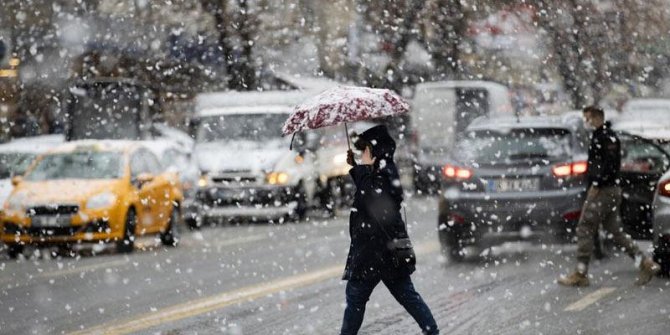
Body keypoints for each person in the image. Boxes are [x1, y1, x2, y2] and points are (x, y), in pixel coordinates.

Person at [340, 125, 438, 335]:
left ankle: (433, 331)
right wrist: (358, 166)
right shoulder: (383, 168)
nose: (362, 152)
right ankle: (432, 331)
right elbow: (371, 192)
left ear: (374, 149)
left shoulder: (385, 171)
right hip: (384, 249)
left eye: (364, 149)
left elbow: (371, 199)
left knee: (356, 298)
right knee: (406, 296)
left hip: (375, 251)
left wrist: (362, 169)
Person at [558, 106, 660, 287]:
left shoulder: (605, 137)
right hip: (610, 189)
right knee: (615, 231)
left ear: (596, 117)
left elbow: (609, 165)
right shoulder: (603, 135)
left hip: (603, 190)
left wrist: (597, 183)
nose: (586, 122)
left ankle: (581, 273)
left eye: (587, 118)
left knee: (585, 227)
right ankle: (644, 262)